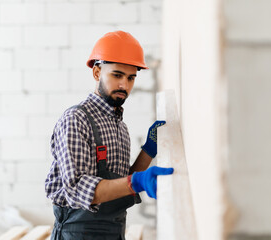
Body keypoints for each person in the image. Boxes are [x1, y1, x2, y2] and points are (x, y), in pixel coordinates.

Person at [45, 31, 174, 240]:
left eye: (131, 78)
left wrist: (149, 151)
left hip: (115, 231)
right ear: (97, 73)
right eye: (117, 75)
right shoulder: (76, 119)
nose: (125, 85)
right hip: (78, 233)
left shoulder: (120, 127)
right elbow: (77, 188)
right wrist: (136, 181)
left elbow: (122, 182)